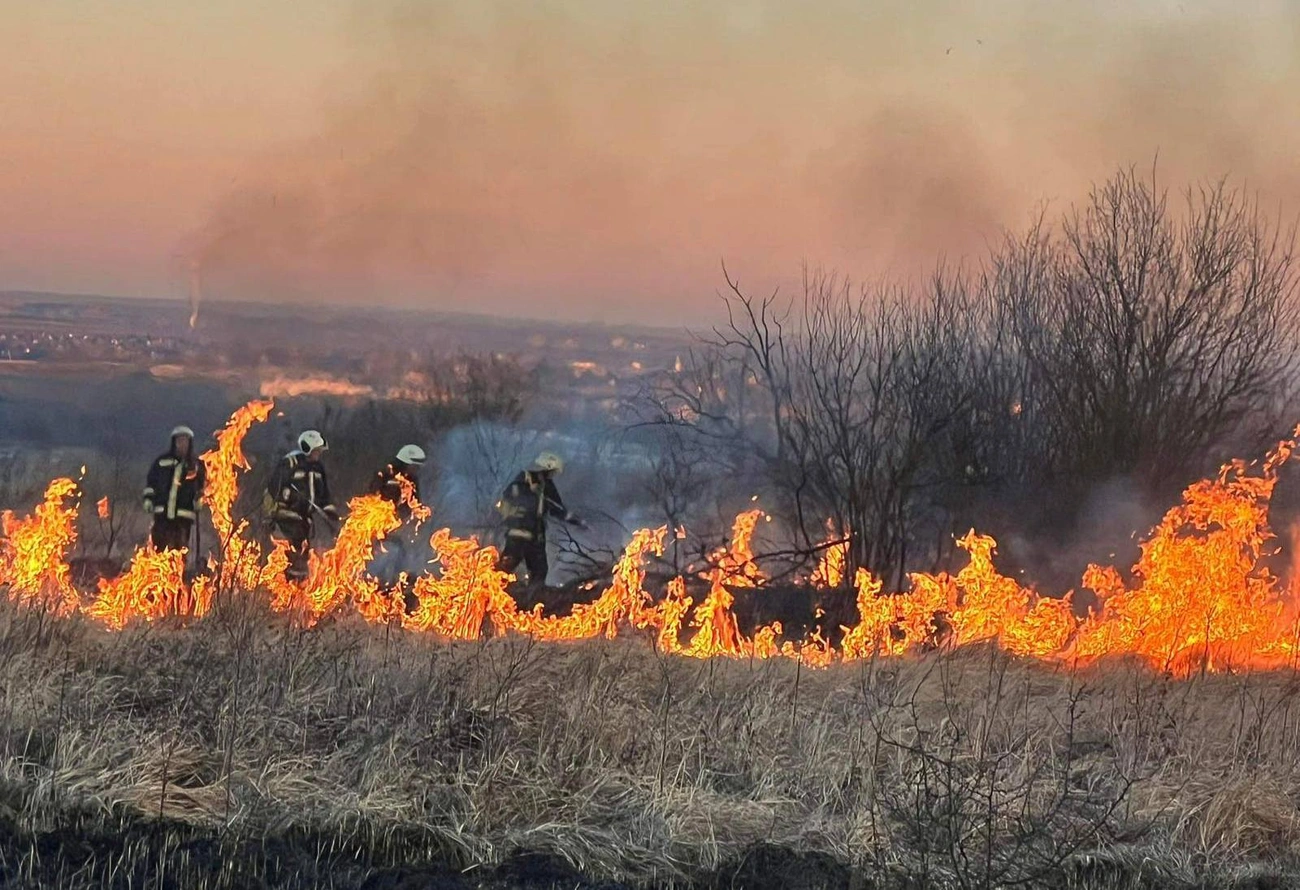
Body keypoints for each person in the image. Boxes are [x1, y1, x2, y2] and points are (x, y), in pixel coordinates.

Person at [496, 451, 585, 591]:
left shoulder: (533, 483)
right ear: (547, 467)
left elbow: (557, 508)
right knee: (506, 573)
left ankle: (530, 604)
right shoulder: (532, 482)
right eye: (553, 471)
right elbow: (557, 509)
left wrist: (576, 521)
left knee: (535, 574)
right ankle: (487, 597)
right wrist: (579, 522)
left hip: (528, 536)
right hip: (523, 536)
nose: (553, 475)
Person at [267, 430, 338, 581]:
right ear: (307, 449)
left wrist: (330, 511)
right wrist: (291, 498)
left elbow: (323, 495)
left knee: (304, 553)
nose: (318, 454)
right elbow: (274, 487)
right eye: (316, 451)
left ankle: (297, 590)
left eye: (319, 451)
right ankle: (287, 588)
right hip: (286, 517)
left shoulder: (318, 468)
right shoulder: (289, 463)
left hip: (305, 520)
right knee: (293, 553)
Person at [369, 445, 426, 607]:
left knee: (403, 562)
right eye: (415, 465)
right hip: (379, 529)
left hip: (401, 530)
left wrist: (414, 523)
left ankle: (399, 600)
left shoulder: (413, 480)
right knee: (384, 559)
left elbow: (416, 504)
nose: (416, 469)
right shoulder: (385, 474)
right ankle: (373, 593)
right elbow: (371, 497)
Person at [143, 425, 207, 552]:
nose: (182, 444)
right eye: (179, 440)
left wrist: (199, 500)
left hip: (183, 517)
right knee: (159, 551)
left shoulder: (196, 465)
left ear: (190, 443)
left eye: (185, 440)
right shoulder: (161, 462)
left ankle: (177, 572)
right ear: (174, 442)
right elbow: (151, 483)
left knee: (179, 552)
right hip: (162, 514)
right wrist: (148, 499)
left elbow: (201, 487)